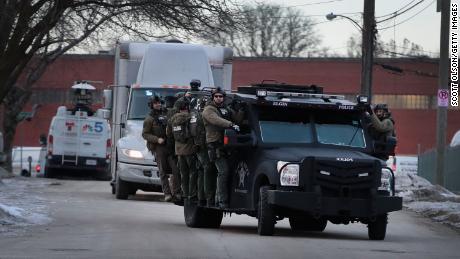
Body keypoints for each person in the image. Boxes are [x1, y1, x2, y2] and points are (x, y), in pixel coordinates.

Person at [202, 87, 243, 208]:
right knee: (223, 171)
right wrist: (230, 124)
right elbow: (215, 120)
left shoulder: (226, 109)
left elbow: (237, 120)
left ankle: (218, 198)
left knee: (226, 172)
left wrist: (240, 109)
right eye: (216, 96)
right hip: (215, 145)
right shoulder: (208, 109)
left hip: (227, 145)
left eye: (221, 96)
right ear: (213, 97)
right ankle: (221, 200)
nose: (219, 98)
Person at [142, 96, 181, 202]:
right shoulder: (149, 119)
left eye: (159, 102)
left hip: (170, 146)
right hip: (159, 147)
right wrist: (156, 139)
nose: (158, 105)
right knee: (163, 171)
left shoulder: (167, 113)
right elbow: (145, 134)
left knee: (176, 170)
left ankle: (177, 193)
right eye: (155, 103)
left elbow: (175, 112)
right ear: (151, 105)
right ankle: (167, 193)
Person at [167, 99, 198, 203]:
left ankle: (184, 193)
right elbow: (194, 132)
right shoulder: (190, 117)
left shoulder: (172, 119)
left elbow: (169, 134)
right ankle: (191, 193)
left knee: (183, 173)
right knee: (192, 172)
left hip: (179, 151)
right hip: (189, 150)